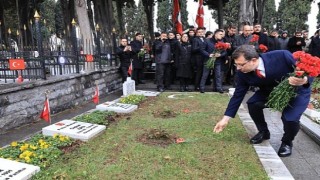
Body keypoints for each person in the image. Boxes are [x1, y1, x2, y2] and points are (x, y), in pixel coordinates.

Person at [213, 45, 313, 157]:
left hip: (297, 91)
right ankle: (263, 132)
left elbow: (309, 70)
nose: (238, 68)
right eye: (236, 64)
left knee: (290, 119)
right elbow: (238, 95)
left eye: (241, 64)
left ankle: (287, 142)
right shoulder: (242, 73)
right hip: (269, 92)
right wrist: (225, 119)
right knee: (253, 103)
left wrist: (304, 80)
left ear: (253, 60)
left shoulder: (282, 56)